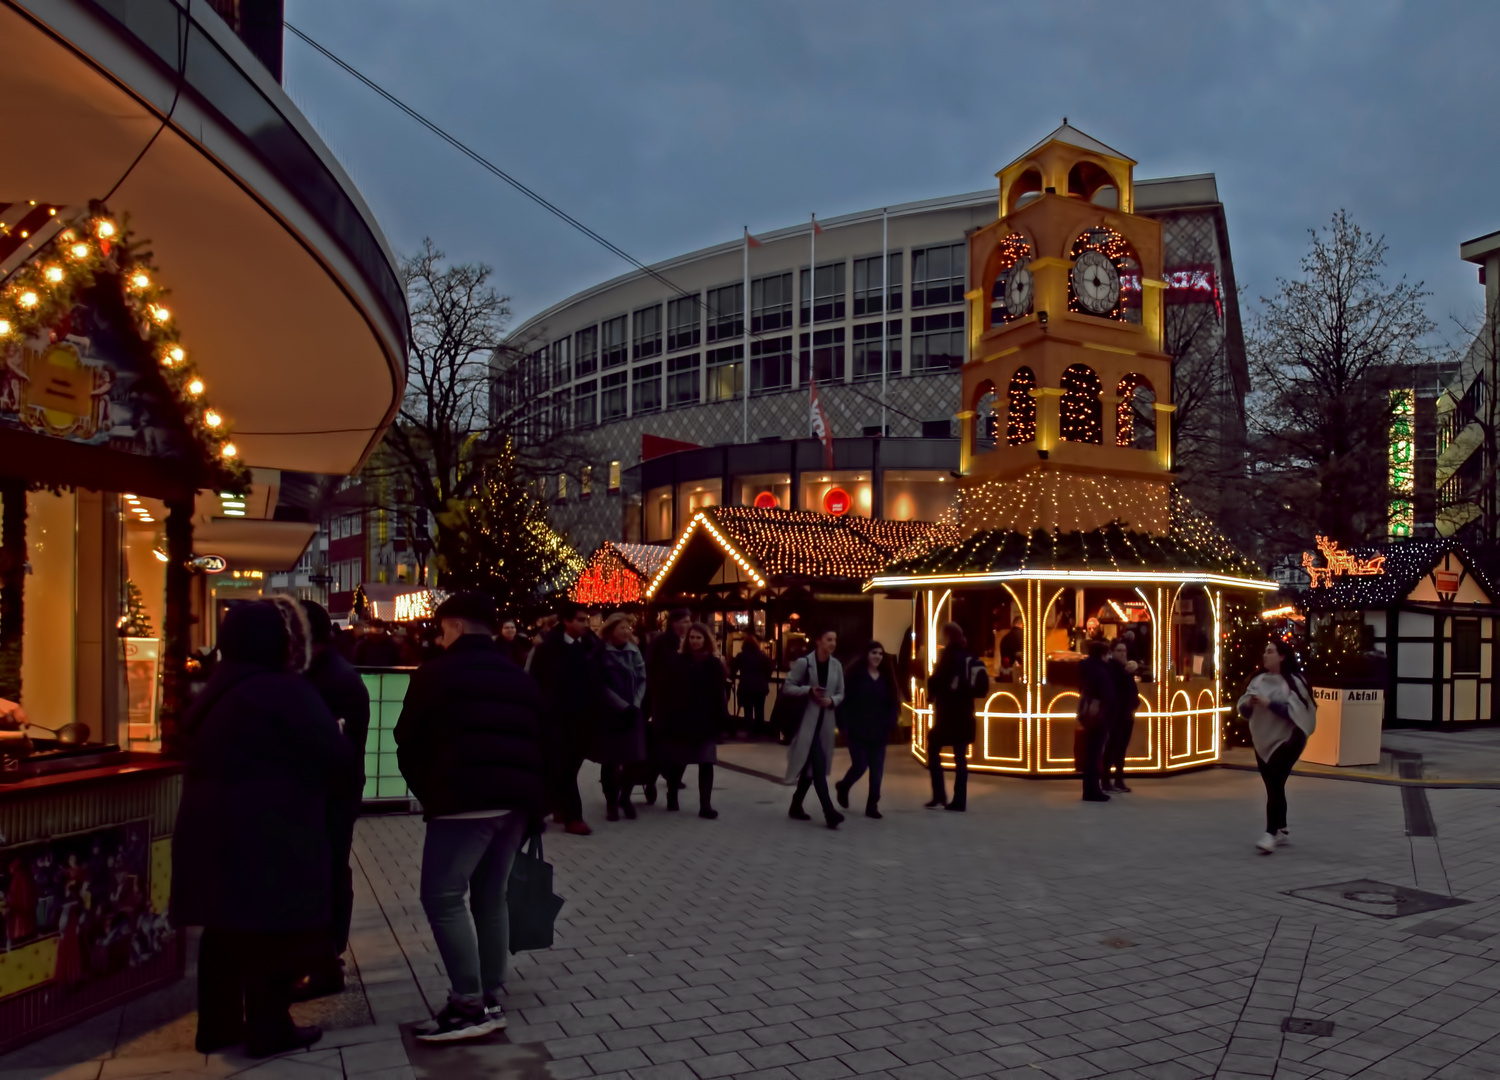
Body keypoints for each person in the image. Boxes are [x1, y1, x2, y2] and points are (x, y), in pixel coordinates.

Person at [172, 601, 356, 1058]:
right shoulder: (283, 690)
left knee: (223, 930)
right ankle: (269, 1027)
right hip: (271, 830)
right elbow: (334, 756)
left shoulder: (218, 688)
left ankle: (217, 1025)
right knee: (270, 932)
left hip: (211, 829)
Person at [394, 591, 546, 1041]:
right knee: (490, 894)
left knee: (442, 897)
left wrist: (431, 792)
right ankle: (492, 986)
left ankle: (468, 1003)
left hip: (462, 801)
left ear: (455, 627)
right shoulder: (518, 675)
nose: (439, 639)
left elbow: (408, 740)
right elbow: (546, 739)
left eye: (442, 630)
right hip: (515, 803)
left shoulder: (436, 674)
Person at [296, 600, 371, 1001]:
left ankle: (326, 959)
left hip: (330, 795)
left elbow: (333, 746)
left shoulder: (334, 679)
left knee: (326, 873)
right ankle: (320, 955)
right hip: (328, 792)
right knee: (325, 872)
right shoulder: (317, 673)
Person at [1238, 640, 1315, 855]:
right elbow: (1243, 710)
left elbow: (1298, 712)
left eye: (1270, 651)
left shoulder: (1293, 682)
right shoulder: (1258, 680)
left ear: (1282, 656)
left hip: (1288, 740)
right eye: (1265, 650)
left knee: (1274, 783)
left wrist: (1268, 703)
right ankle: (1281, 827)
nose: (1265, 655)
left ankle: (1270, 833)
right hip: (1263, 740)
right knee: (1274, 785)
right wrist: (1248, 704)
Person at [529, 601, 598, 836]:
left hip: (583, 718)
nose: (585, 625)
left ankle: (557, 805)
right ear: (566, 621)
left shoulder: (590, 647)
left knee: (569, 765)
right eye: (580, 620)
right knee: (562, 766)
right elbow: (536, 682)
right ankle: (572, 816)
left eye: (586, 620)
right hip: (555, 719)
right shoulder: (548, 649)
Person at [658, 623, 725, 819]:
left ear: (706, 640)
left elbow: (719, 693)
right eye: (692, 638)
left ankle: (705, 804)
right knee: (679, 761)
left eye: (699, 638)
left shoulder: (713, 664)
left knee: (706, 762)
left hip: (706, 720)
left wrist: (721, 720)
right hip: (683, 719)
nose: (695, 641)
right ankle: (672, 794)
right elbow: (667, 690)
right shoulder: (678, 661)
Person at [782, 628, 846, 828]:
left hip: (825, 724)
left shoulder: (836, 665)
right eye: (828, 639)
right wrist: (809, 690)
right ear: (818, 641)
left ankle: (795, 805)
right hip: (806, 724)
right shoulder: (805, 663)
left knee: (811, 769)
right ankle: (829, 812)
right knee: (817, 766)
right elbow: (788, 686)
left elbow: (841, 692)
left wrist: (832, 700)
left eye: (834, 639)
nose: (832, 643)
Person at [589, 612, 648, 822]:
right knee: (610, 761)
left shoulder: (634, 651)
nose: (626, 632)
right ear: (611, 630)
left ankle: (626, 797)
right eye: (621, 628)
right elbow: (601, 686)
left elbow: (642, 678)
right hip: (611, 714)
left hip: (633, 712)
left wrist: (636, 704)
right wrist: (622, 706)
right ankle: (611, 802)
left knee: (633, 759)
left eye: (628, 628)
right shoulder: (602, 653)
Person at [925, 622, 987, 812]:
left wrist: (931, 691)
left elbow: (938, 679)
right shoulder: (970, 655)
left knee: (933, 749)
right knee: (960, 757)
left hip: (948, 713)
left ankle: (939, 794)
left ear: (947, 636)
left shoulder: (948, 655)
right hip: (965, 713)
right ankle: (960, 799)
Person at [835, 640, 899, 819]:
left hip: (879, 731)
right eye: (874, 653)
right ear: (866, 655)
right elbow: (844, 702)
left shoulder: (886, 677)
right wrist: (843, 724)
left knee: (877, 769)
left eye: (880, 653)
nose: (877, 656)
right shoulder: (855, 675)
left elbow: (893, 702)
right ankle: (844, 786)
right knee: (860, 764)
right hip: (857, 730)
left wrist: (891, 721)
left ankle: (872, 804)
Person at [638, 609, 692, 803]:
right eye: (684, 621)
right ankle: (651, 781)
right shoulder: (661, 643)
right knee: (658, 749)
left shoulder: (689, 643)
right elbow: (651, 671)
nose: (688, 625)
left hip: (683, 705)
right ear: (675, 623)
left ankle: (673, 788)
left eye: (689, 621)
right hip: (661, 703)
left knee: (681, 751)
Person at [1077, 638, 1117, 803]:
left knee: (1090, 753)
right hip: (1099, 715)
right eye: (1107, 654)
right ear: (1102, 654)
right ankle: (1093, 790)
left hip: (1088, 713)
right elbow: (1108, 695)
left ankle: (1089, 789)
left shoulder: (1085, 668)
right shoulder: (1101, 671)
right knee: (1095, 753)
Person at [1103, 639, 1139, 794]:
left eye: (1124, 651)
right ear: (1112, 652)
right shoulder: (1112, 669)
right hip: (1116, 714)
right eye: (1119, 651)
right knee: (1112, 747)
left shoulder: (1126, 668)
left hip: (1127, 713)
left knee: (1122, 747)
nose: (1123, 654)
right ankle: (1106, 779)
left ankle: (1118, 778)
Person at [731, 632, 772, 739]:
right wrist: (765, 679)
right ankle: (760, 731)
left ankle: (750, 732)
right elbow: (769, 669)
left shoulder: (741, 656)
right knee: (760, 709)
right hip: (760, 686)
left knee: (748, 710)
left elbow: (733, 669)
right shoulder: (763, 656)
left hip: (746, 685)